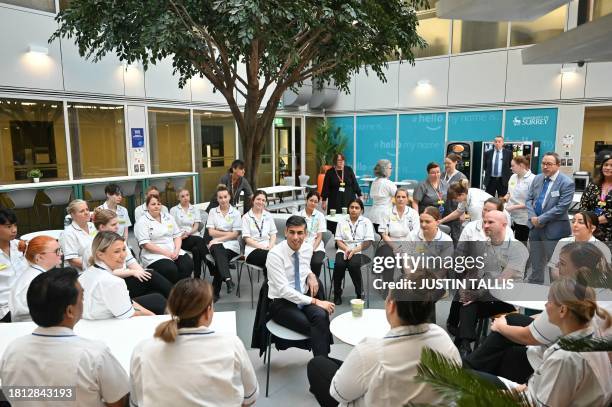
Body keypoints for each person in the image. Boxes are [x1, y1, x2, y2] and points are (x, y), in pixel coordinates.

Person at [465, 242, 611, 384]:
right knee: (513, 321)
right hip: (576, 360)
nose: (557, 268)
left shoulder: (571, 296)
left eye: (563, 264)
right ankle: (471, 366)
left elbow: (529, 337)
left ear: (581, 271)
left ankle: (469, 369)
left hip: (548, 366)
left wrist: (500, 326)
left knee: (506, 345)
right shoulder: (602, 293)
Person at [307, 273, 462, 407]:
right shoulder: (443, 339)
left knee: (317, 364)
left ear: (391, 306)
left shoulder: (371, 351)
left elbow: (338, 393)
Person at [0, 268, 129, 407]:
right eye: (82, 298)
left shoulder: (12, 351)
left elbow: (12, 395)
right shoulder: (93, 354)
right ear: (70, 311)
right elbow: (117, 403)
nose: (83, 302)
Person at [479, 278, 612, 407]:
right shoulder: (590, 337)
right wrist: (507, 394)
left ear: (562, 310)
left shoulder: (565, 358)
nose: (545, 305)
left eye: (549, 301)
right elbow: (536, 389)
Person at [130, 278, 258, 407]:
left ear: (171, 308)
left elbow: (136, 401)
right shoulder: (231, 344)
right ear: (208, 312)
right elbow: (250, 397)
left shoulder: (143, 350)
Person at [450, 210, 527, 357]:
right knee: (467, 301)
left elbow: (501, 280)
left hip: (506, 298)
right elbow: (473, 272)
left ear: (504, 225)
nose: (485, 225)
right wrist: (464, 289)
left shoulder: (517, 248)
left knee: (470, 302)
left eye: (490, 222)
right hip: (486, 296)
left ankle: (462, 345)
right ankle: (465, 347)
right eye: (484, 222)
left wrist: (476, 294)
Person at [267, 215, 335, 356]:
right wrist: (316, 301)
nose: (296, 237)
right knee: (317, 327)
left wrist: (311, 275)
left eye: (300, 233)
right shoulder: (275, 255)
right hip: (282, 303)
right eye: (292, 232)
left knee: (321, 317)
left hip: (303, 297)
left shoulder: (307, 249)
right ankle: (323, 366)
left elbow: (303, 268)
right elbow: (284, 290)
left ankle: (321, 364)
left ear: (306, 234)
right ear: (285, 232)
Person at [86, 208, 173, 299]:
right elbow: (105, 273)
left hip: (124, 277)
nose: (117, 227)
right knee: (153, 278)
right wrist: (133, 272)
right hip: (109, 286)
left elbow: (130, 261)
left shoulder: (117, 239)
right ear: (102, 227)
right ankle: (180, 299)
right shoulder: (93, 246)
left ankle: (177, 302)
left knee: (152, 283)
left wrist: (142, 272)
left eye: (118, 223)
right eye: (113, 224)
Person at [80, 232, 166, 318]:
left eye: (124, 249)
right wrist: (154, 318)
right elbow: (130, 314)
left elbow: (129, 303)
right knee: (159, 301)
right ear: (100, 255)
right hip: (107, 325)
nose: (123, 255)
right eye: (117, 251)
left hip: (93, 319)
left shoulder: (85, 275)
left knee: (156, 296)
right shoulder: (113, 282)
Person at [526, 152, 575, 284]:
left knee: (554, 266)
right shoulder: (537, 179)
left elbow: (562, 207)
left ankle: (557, 293)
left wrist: (541, 219)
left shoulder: (567, 183)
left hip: (554, 229)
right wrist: (533, 218)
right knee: (535, 262)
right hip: (535, 228)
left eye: (549, 164)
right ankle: (534, 290)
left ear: (558, 165)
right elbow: (529, 199)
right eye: (543, 163)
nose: (545, 167)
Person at [134, 194, 193, 284]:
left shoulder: (168, 217)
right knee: (170, 269)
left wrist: (176, 251)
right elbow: (146, 244)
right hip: (155, 255)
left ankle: (182, 290)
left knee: (188, 264)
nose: (156, 206)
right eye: (153, 204)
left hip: (173, 250)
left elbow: (177, 236)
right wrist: (167, 254)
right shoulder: (142, 221)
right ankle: (172, 292)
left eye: (158, 204)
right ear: (147, 206)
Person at [9, 236, 62, 322]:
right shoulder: (37, 280)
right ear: (39, 257)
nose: (61, 254)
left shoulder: (33, 273)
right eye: (57, 251)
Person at [333, 199, 374, 305]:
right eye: (352, 207)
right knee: (339, 264)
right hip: (343, 248)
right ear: (348, 209)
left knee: (353, 265)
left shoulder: (366, 222)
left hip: (360, 250)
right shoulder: (342, 221)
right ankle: (337, 293)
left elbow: (368, 242)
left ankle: (360, 293)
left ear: (361, 210)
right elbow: (338, 241)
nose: (354, 210)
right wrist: (347, 249)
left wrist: (354, 251)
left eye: (357, 208)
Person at [547, 211, 611, 279]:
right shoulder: (563, 242)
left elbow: (605, 276)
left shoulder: (602, 248)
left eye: (580, 222)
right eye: (573, 221)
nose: (575, 225)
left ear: (592, 228)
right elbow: (554, 267)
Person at [375, 188, 420, 284]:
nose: (400, 199)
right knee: (387, 256)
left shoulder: (413, 213)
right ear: (394, 199)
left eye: (403, 197)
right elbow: (384, 233)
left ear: (407, 199)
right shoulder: (386, 212)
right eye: (398, 197)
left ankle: (410, 284)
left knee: (407, 257)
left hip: (409, 242)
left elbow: (416, 232)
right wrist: (395, 246)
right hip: (390, 242)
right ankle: (388, 284)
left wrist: (404, 246)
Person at [206, 184, 241, 300]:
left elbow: (236, 234)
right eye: (220, 197)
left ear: (229, 197)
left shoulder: (235, 213)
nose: (223, 200)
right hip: (216, 245)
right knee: (220, 253)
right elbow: (211, 232)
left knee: (220, 257)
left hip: (231, 246)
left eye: (225, 197)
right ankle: (228, 279)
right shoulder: (212, 211)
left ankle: (216, 290)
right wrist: (229, 233)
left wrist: (219, 236)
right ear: (217, 199)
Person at [170, 188, 208, 279]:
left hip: (193, 235)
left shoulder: (194, 209)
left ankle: (197, 276)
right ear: (178, 198)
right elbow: (171, 227)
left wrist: (190, 232)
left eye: (187, 195)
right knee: (200, 240)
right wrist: (181, 234)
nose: (186, 198)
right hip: (181, 239)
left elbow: (196, 225)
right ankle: (210, 264)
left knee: (196, 250)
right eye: (182, 196)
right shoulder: (173, 210)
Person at [321, 153, 361, 234]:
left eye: (342, 160)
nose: (341, 162)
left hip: (349, 199)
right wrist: (324, 201)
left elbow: (354, 183)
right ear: (335, 161)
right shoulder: (330, 172)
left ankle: (349, 235)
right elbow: (326, 187)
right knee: (335, 219)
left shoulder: (348, 169)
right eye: (339, 160)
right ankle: (337, 239)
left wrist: (360, 195)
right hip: (335, 200)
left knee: (348, 217)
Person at [440, 179, 508, 225]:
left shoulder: (475, 205)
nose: (454, 200)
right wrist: (441, 221)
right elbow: (458, 212)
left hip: (501, 221)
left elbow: (479, 224)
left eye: (455, 198)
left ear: (462, 195)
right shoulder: (466, 194)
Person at [0, 208, 27, 323]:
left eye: (15, 225)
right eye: (8, 226)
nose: (14, 230)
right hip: (5, 309)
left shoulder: (20, 246)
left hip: (26, 301)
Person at [242, 190, 277, 276]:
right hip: (253, 250)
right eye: (258, 199)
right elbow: (247, 239)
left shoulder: (268, 215)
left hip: (269, 248)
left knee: (280, 258)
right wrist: (262, 247)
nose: (260, 202)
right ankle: (270, 286)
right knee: (273, 260)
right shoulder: (246, 217)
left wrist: (271, 246)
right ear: (253, 200)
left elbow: (273, 234)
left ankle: (270, 286)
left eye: (263, 200)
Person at [580, 152, 612, 241]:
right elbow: (583, 205)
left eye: (611, 165)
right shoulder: (593, 185)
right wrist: (587, 221)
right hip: (591, 230)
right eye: (606, 165)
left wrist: (595, 221)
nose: (608, 168)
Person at [503, 155, 535, 242]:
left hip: (523, 217)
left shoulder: (532, 179)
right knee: (506, 240)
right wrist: (503, 200)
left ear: (521, 165)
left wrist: (514, 207)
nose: (511, 168)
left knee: (520, 242)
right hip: (510, 215)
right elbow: (509, 193)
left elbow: (533, 202)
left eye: (513, 166)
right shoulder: (513, 177)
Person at [296, 191, 327, 278]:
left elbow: (319, 236)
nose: (313, 203)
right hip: (301, 245)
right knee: (298, 260)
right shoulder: (298, 215)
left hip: (316, 246)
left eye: (315, 202)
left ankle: (314, 284)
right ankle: (301, 283)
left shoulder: (320, 216)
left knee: (316, 262)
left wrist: (312, 249)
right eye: (311, 200)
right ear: (306, 200)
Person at [61, 199, 97, 272]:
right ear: (72, 215)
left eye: (87, 209)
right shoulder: (68, 233)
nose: (86, 213)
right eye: (82, 211)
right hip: (79, 273)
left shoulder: (93, 226)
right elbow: (73, 260)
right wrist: (97, 266)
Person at [442, 153, 468, 242]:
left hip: (455, 210)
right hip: (443, 210)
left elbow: (465, 195)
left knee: (455, 237)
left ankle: (456, 255)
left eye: (448, 163)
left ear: (455, 163)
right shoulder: (441, 175)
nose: (446, 165)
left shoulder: (462, 177)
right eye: (445, 163)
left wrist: (462, 213)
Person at [367, 159, 396, 234]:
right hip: (385, 216)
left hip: (373, 215)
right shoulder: (388, 183)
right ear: (385, 169)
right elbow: (398, 197)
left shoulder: (374, 182)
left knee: (378, 239)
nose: (391, 170)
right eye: (390, 168)